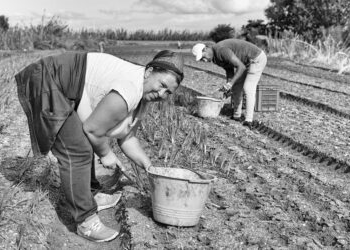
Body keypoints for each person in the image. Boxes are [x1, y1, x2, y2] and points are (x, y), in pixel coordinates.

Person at [15, 50, 184, 242]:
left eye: (168, 92)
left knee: (83, 144)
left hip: (62, 86)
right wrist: (106, 154)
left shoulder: (142, 96)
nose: (162, 94)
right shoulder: (129, 88)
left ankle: (89, 194)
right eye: (162, 85)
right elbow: (93, 129)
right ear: (149, 71)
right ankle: (86, 221)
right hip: (48, 80)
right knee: (76, 150)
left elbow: (128, 138)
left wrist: (149, 167)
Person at [192, 39, 267, 129]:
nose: (204, 60)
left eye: (203, 57)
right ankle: (236, 116)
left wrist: (229, 84)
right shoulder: (216, 58)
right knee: (236, 87)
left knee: (248, 87)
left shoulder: (221, 50)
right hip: (245, 62)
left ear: (206, 49)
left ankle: (249, 120)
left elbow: (241, 67)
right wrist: (228, 86)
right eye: (201, 60)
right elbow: (229, 70)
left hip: (256, 58)